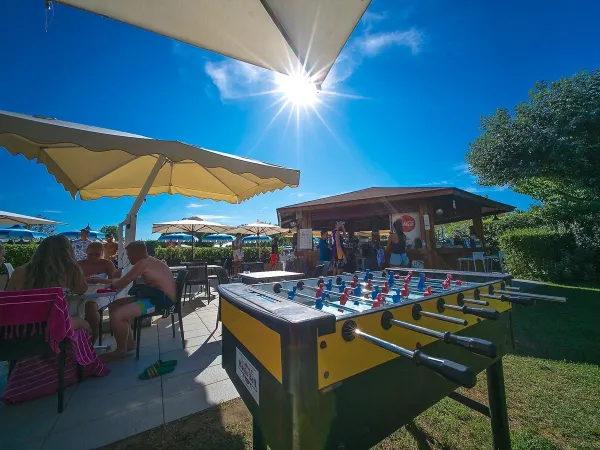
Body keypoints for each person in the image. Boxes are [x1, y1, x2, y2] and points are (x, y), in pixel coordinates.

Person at [98, 241, 176, 362]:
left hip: (161, 301)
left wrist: (110, 281)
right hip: (156, 296)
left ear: (137, 253)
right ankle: (129, 344)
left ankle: (120, 351)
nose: (128, 257)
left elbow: (123, 282)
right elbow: (123, 280)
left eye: (129, 254)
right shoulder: (149, 261)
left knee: (118, 315)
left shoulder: (143, 263)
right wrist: (111, 280)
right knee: (115, 305)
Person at [6, 235, 90, 332]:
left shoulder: (20, 272)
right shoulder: (69, 272)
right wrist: (75, 267)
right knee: (84, 324)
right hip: (53, 326)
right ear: (67, 252)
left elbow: (8, 302)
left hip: (23, 328)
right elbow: (82, 289)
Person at [79, 242, 117, 344]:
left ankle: (94, 335)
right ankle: (79, 337)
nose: (93, 257)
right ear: (86, 252)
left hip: (101, 292)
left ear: (102, 253)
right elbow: (70, 281)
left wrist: (100, 281)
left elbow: (115, 281)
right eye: (91, 254)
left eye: (97, 254)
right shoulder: (79, 264)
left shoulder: (107, 264)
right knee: (73, 306)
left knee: (90, 305)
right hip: (82, 292)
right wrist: (84, 280)